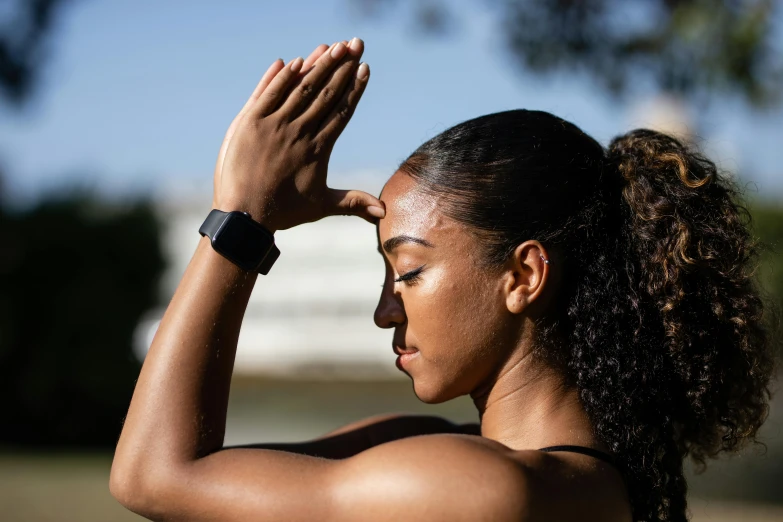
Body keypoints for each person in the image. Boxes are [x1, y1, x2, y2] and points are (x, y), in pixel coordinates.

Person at [109, 38, 776, 522]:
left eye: (407, 272)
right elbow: (192, 469)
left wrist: (244, 221)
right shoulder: (568, 476)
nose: (383, 313)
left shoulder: (483, 490)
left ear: (522, 275)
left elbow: (156, 477)